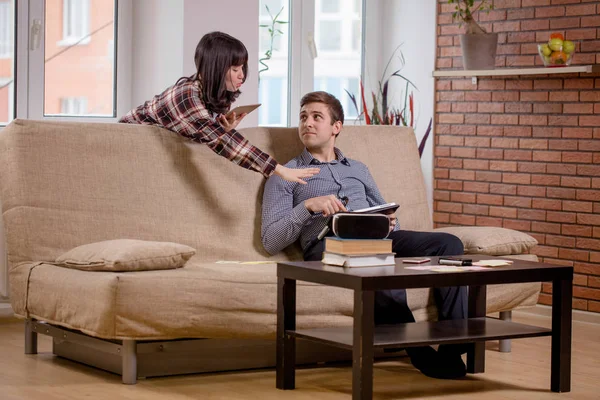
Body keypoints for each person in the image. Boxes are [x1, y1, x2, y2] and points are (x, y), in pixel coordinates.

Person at [261, 91, 468, 379]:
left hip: (376, 237)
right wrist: (308, 206)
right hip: (329, 244)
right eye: (303, 117)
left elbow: (383, 209)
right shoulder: (285, 174)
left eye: (316, 116)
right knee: (374, 261)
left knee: (449, 244)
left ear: (336, 127)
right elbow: (270, 240)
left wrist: (388, 221)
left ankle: (453, 345)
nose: (307, 123)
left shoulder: (358, 169)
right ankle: (419, 353)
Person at [120, 31, 319, 185]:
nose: (242, 75)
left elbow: (207, 134)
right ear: (215, 68)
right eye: (234, 69)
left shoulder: (215, 96)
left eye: (242, 68)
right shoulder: (186, 94)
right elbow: (220, 141)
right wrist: (278, 169)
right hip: (130, 141)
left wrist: (223, 127)